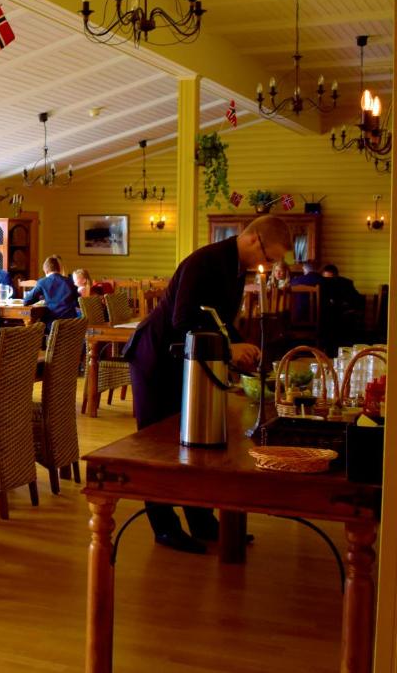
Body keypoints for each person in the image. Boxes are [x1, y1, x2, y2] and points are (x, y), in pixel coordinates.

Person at [124, 215, 292, 554]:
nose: (270, 266)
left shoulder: (236, 268)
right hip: (156, 356)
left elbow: (218, 320)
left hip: (187, 360)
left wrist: (241, 344)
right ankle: (164, 526)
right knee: (158, 446)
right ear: (254, 240)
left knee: (193, 445)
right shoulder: (206, 261)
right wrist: (228, 348)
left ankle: (202, 520)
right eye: (270, 257)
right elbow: (183, 320)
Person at [24, 256, 78, 324]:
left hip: (53, 325)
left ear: (46, 271)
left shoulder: (43, 282)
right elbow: (78, 302)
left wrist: (40, 297)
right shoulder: (70, 281)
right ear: (59, 269)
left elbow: (26, 301)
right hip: (72, 325)